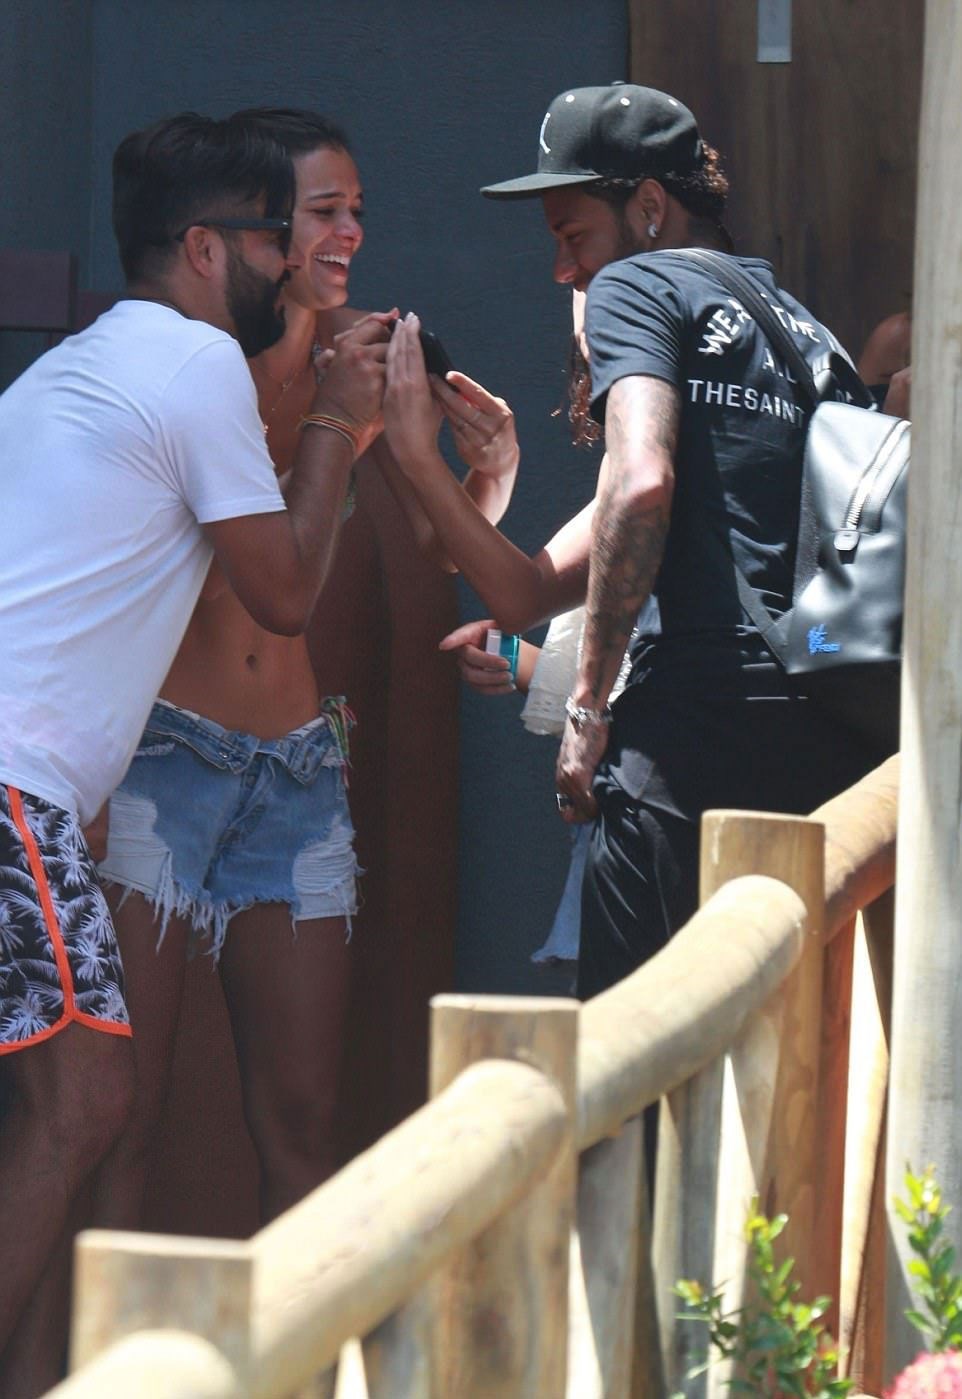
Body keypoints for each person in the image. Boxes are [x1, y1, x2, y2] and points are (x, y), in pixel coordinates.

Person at [0, 111, 388, 1396]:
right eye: (277, 237)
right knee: (84, 1105)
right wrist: (333, 423)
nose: (293, 261)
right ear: (208, 250)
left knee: (76, 1105)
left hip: (41, 799)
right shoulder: (194, 363)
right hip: (14, 790)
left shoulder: (73, 367)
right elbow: (282, 590)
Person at [93, 107, 521, 1240]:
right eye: (323, 212)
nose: (349, 235)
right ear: (260, 227)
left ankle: (304, 1335)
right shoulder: (199, 360)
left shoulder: (372, 354)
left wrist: (488, 477)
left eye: (356, 211)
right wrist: (332, 431)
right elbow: (250, 571)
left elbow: (431, 548)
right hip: (164, 754)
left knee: (302, 1114)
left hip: (296, 768)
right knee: (125, 1109)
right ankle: (110, 1334)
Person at [385, 82, 881, 1002]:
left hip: (689, 746)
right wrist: (428, 462)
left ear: (649, 207)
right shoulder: (806, 332)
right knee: (783, 1050)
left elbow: (641, 480)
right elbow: (523, 593)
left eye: (572, 236)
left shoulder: (638, 284)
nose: (563, 271)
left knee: (632, 1058)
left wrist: (585, 712)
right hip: (831, 740)